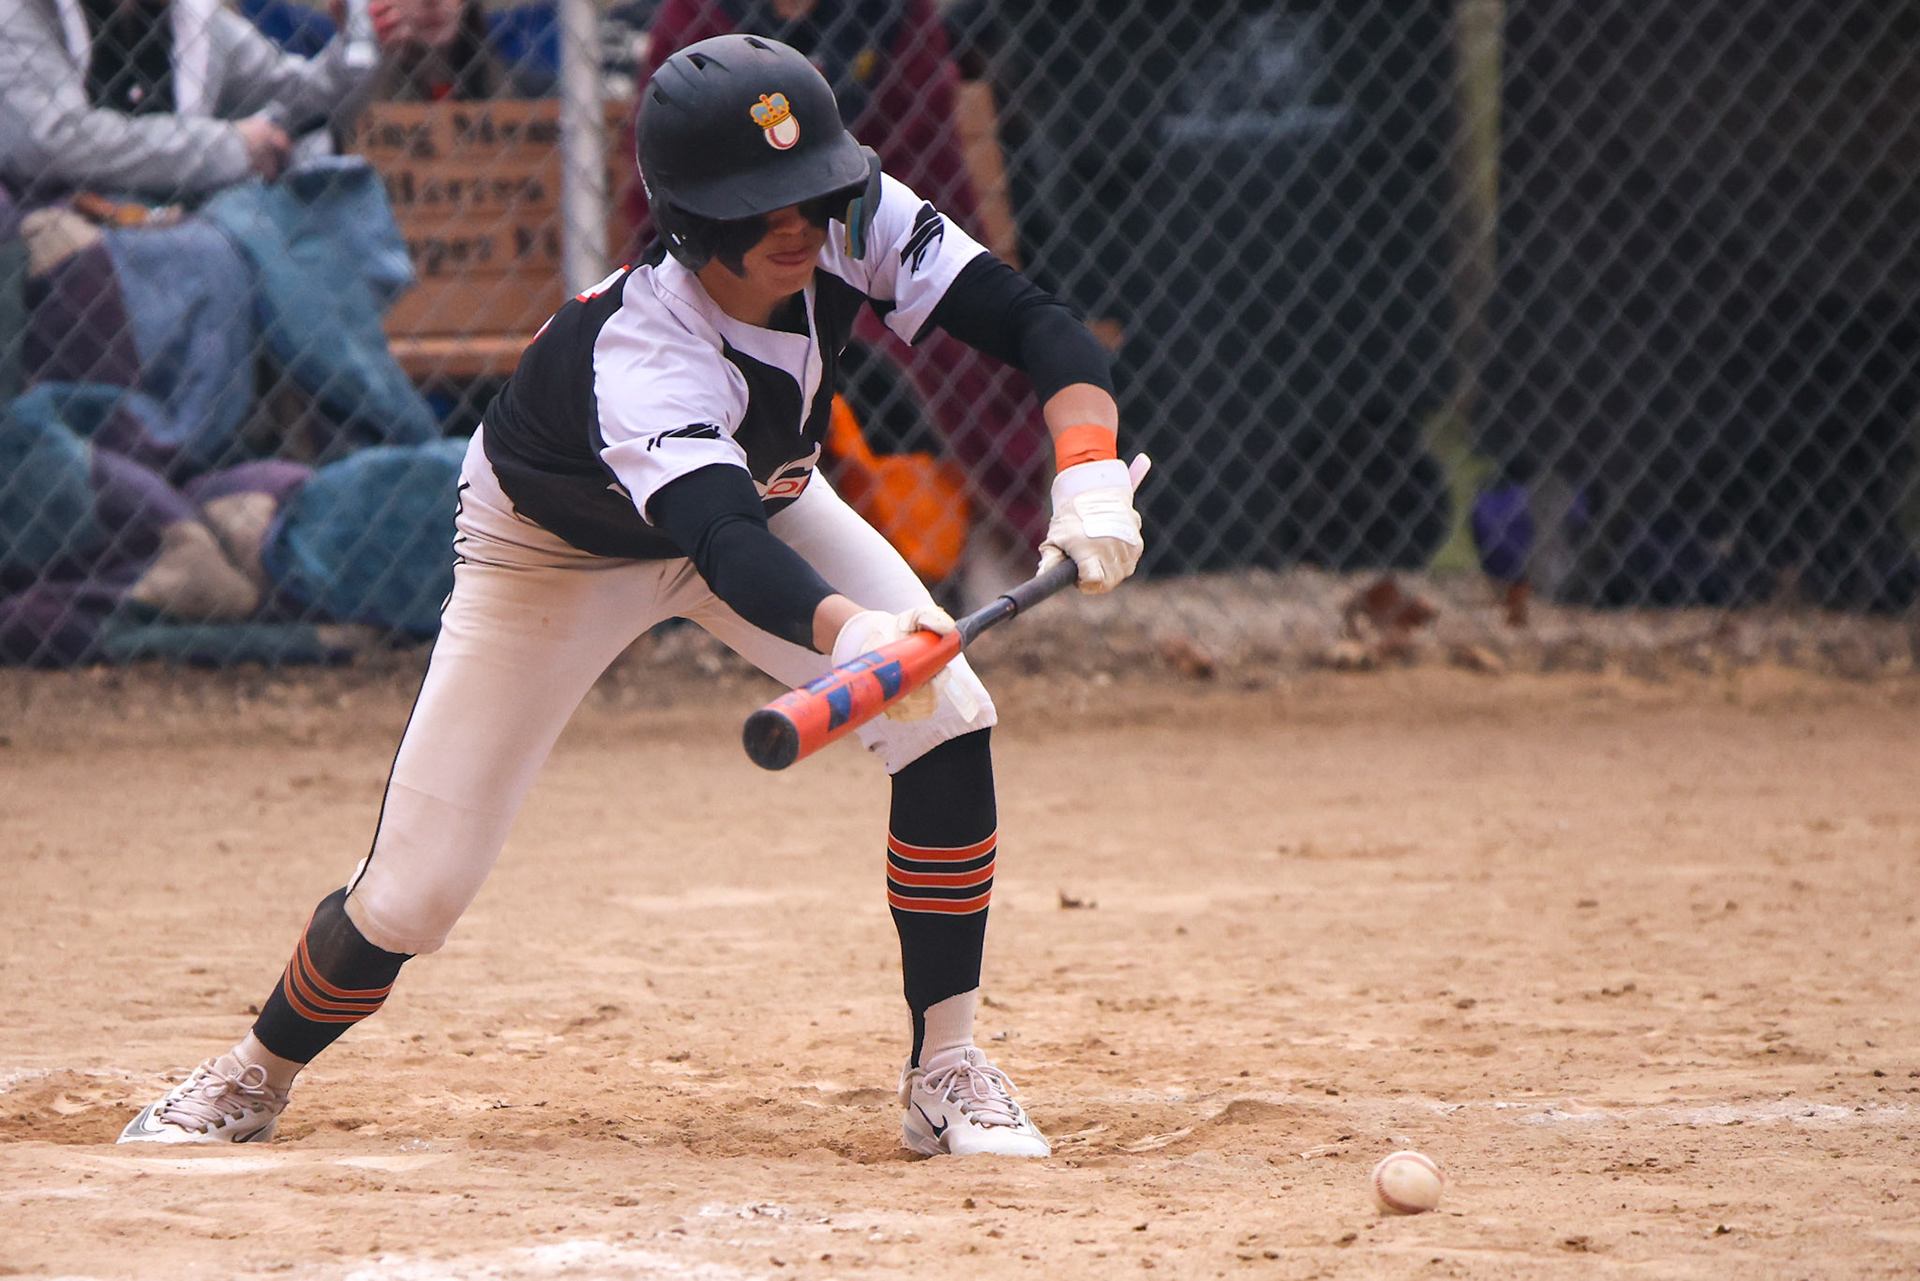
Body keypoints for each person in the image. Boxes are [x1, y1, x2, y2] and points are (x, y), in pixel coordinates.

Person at [116, 34, 1145, 1158]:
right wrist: (861, 634)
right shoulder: (644, 351)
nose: (800, 225)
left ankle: (945, 1068)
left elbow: (1033, 322)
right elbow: (721, 545)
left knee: (948, 720)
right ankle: (254, 1073)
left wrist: (1086, 468)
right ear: (692, 219)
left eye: (811, 193)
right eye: (763, 208)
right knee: (414, 896)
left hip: (764, 492)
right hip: (555, 553)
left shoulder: (850, 210)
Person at [619, 1, 1059, 605]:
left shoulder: (893, 14)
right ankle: (767, 581)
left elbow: (924, 164)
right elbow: (668, 191)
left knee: (940, 346)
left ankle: (949, 557)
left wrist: (849, 242)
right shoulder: (700, 14)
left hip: (849, 239)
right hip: (733, 262)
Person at [0, 0, 437, 204]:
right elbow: (52, 143)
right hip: (45, 223)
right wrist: (229, 147)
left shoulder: (197, 20)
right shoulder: (18, 14)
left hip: (176, 225)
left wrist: (361, 45)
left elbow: (299, 99)